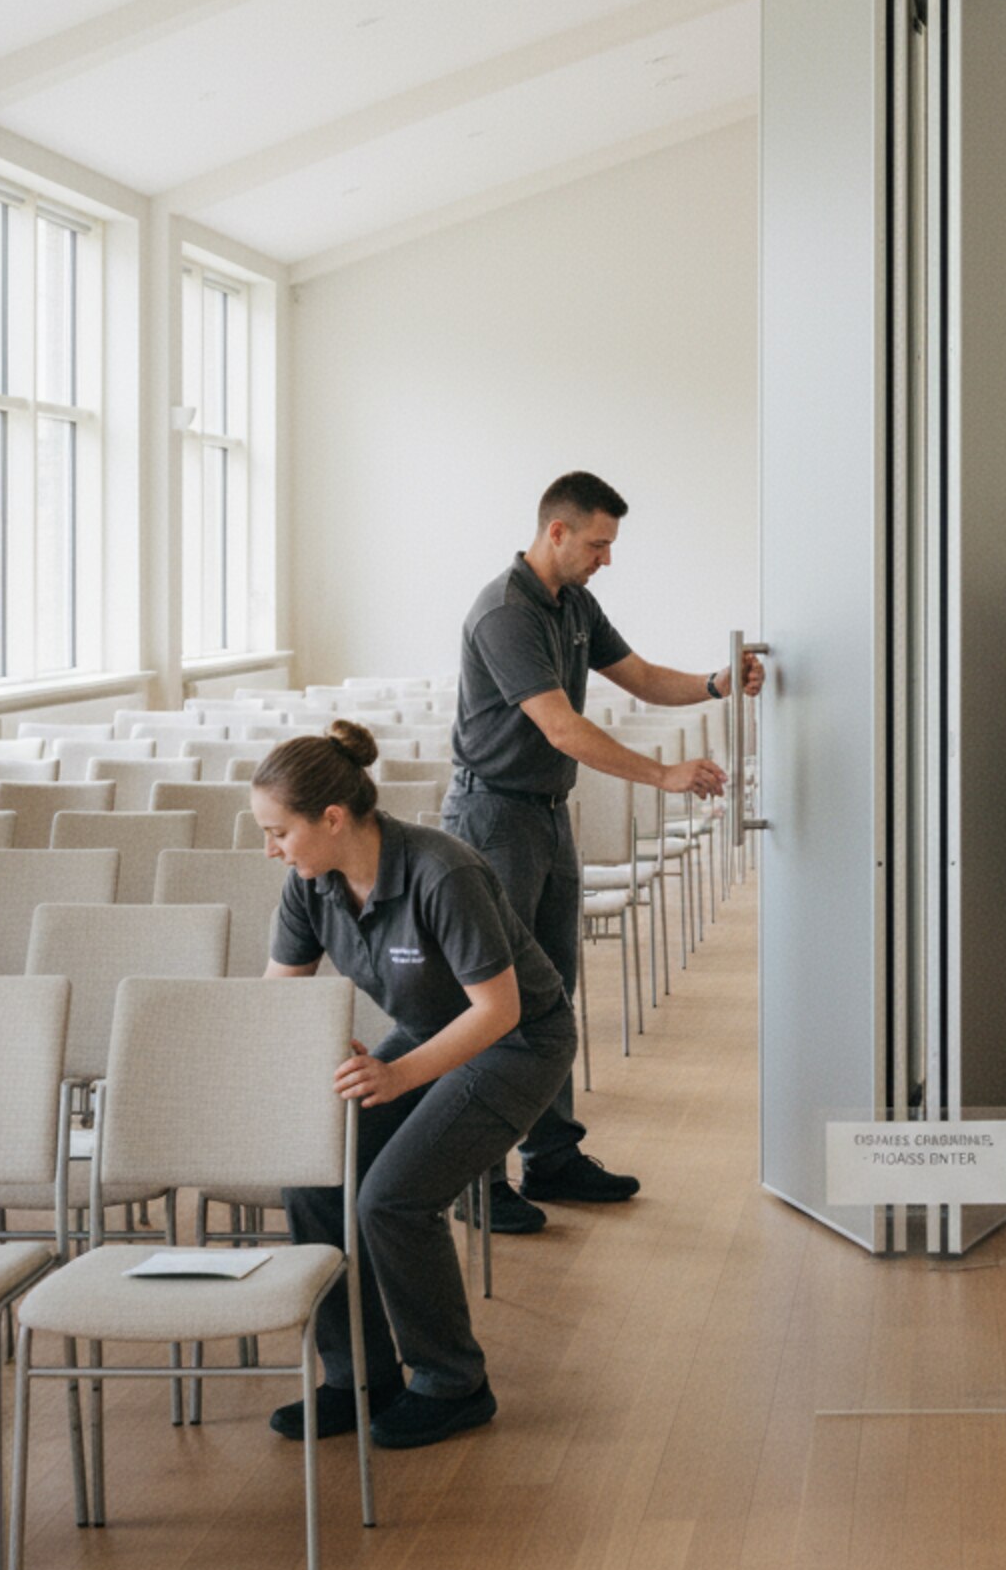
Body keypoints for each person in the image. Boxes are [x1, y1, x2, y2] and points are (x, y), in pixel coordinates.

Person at [444, 470, 760, 1233]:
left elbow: (642, 676)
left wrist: (718, 684)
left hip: (546, 818)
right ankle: (473, 1177)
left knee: (549, 998)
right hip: (493, 820)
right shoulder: (505, 613)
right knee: (494, 1004)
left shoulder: (574, 603)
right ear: (557, 532)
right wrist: (662, 774)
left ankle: (550, 1154)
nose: (605, 559)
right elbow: (561, 728)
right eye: (598, 544)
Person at [258, 723, 578, 1449]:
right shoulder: (311, 884)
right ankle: (357, 1377)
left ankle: (452, 1383)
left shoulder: (441, 872)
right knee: (314, 1178)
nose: (271, 848)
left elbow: (499, 1010)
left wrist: (397, 1073)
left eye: (278, 832)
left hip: (519, 1043)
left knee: (393, 1198)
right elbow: (279, 995)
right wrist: (311, 1041)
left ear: (332, 819)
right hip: (432, 1032)